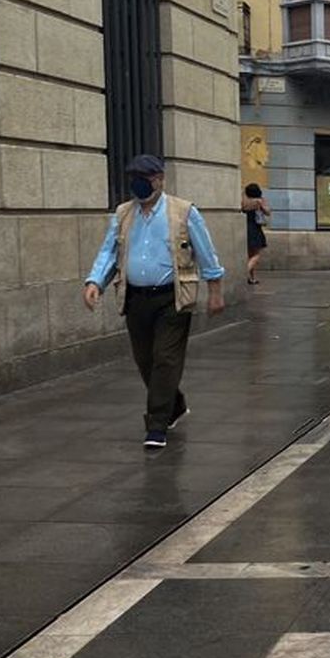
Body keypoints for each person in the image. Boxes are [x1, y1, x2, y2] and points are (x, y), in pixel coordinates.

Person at [83, 154, 226, 449]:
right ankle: (174, 405)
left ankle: (157, 425)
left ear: (159, 179)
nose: (139, 184)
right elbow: (110, 251)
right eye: (134, 178)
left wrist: (215, 291)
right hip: (135, 298)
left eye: (145, 178)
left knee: (165, 358)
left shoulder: (183, 212)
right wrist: (95, 281)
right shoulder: (124, 213)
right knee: (145, 361)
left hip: (171, 298)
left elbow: (206, 253)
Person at [242, 183, 270, 286]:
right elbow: (268, 212)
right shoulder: (259, 201)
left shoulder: (244, 202)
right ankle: (245, 272)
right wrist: (262, 206)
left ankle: (251, 278)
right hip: (255, 228)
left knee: (250, 254)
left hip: (245, 227)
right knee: (256, 254)